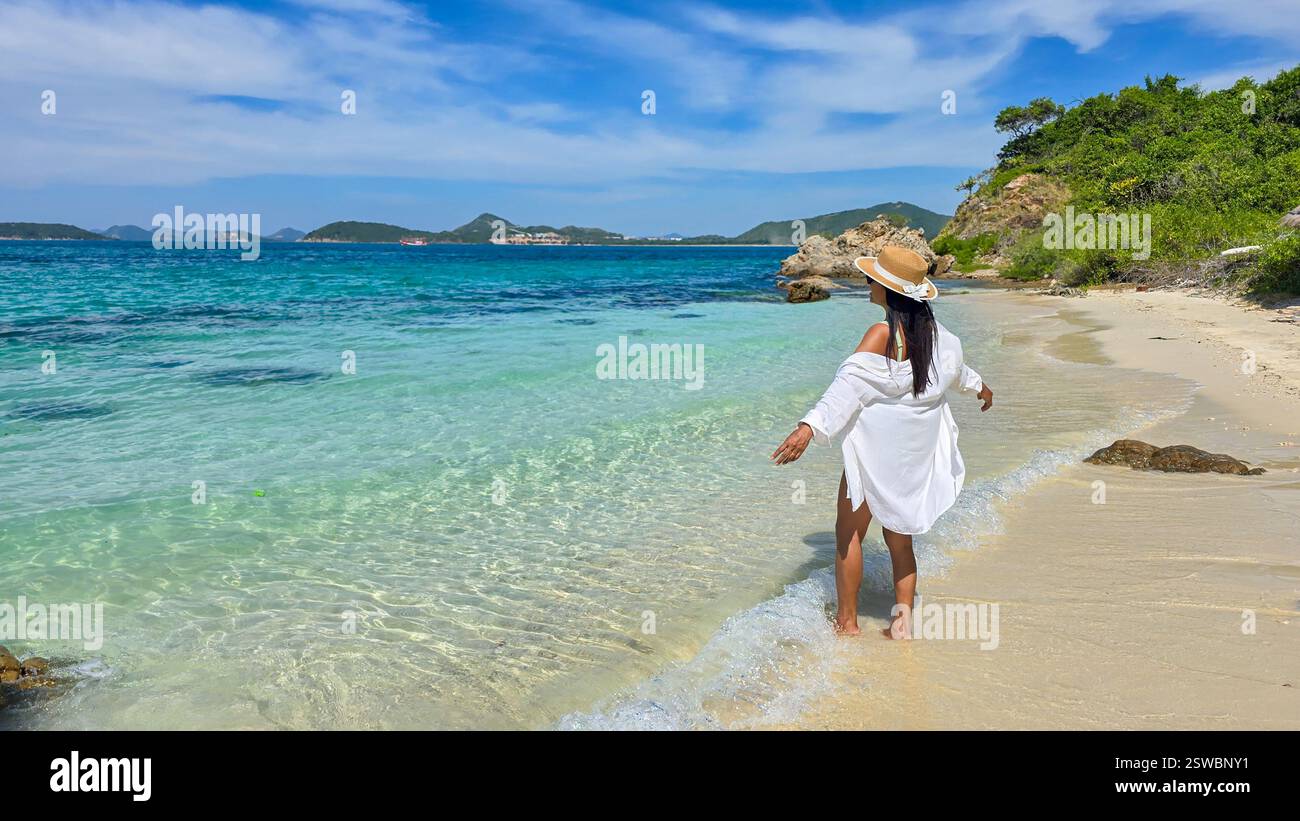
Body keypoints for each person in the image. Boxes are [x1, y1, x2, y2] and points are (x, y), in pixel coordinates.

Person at [771, 246, 994, 638]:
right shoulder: (940, 337)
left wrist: (808, 428)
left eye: (873, 278)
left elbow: (846, 389)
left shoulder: (881, 333)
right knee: (899, 536)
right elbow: (957, 372)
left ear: (888, 290)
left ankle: (847, 623)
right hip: (913, 454)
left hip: (876, 453)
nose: (868, 282)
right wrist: (981, 388)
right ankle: (902, 622)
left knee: (850, 534)